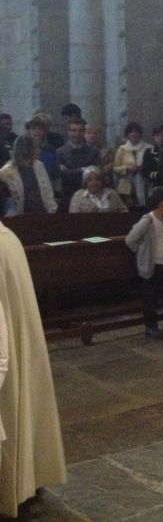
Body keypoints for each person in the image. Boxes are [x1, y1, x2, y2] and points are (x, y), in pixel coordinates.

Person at [0, 219, 66, 514]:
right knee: (24, 410)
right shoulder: (8, 238)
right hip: (15, 346)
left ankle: (14, 487)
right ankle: (28, 479)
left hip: (5, 354)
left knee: (14, 411)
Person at [125, 186, 163, 339]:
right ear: (162, 204)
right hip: (153, 266)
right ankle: (151, 326)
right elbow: (130, 239)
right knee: (151, 297)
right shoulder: (148, 221)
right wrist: (143, 253)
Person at [0, 136, 57, 215]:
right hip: (19, 217)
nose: (39, 151)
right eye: (36, 148)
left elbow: (48, 192)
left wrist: (52, 211)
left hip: (43, 214)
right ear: (27, 150)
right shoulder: (5, 172)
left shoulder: (39, 166)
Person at [56, 117, 101, 211]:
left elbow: (96, 175)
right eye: (73, 130)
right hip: (67, 198)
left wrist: (70, 172)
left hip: (90, 199)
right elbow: (62, 177)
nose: (77, 134)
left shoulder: (94, 152)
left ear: (84, 132)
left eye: (80, 131)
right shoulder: (59, 153)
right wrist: (83, 170)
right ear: (68, 132)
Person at [114, 122, 152, 208]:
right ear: (127, 134)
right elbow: (115, 168)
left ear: (140, 134)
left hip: (145, 184)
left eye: (137, 132)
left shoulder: (149, 148)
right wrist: (127, 168)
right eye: (131, 132)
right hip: (126, 186)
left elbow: (153, 167)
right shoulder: (122, 149)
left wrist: (143, 168)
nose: (134, 134)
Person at [84, 123, 115, 187]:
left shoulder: (108, 150)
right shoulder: (80, 150)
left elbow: (113, 164)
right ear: (84, 134)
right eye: (89, 133)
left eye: (95, 133)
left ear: (100, 135)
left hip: (104, 182)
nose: (92, 135)